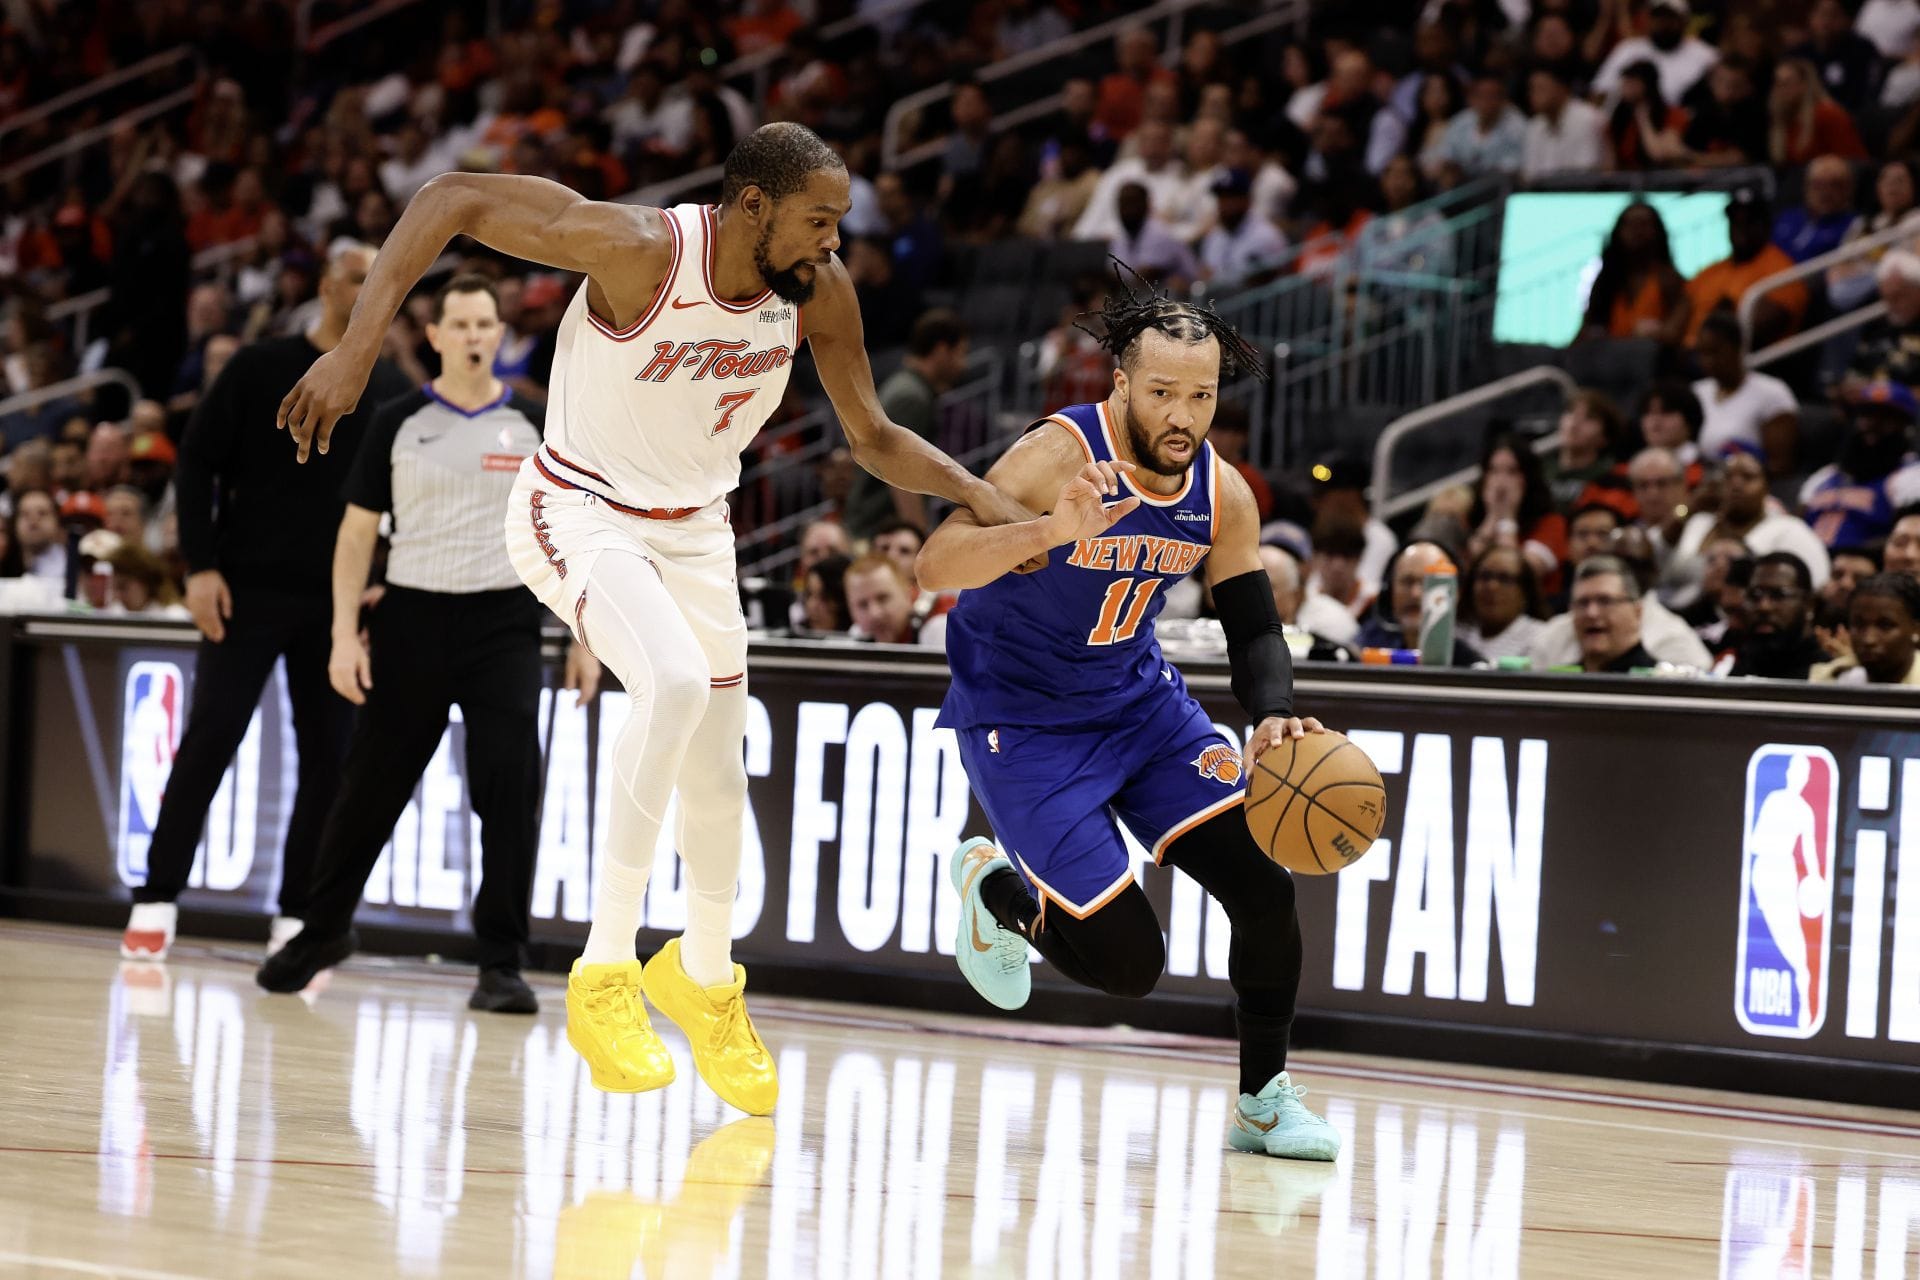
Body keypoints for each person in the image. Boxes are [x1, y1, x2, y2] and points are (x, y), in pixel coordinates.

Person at [276, 122, 1031, 1116]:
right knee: (671, 685)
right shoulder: (639, 250)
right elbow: (451, 195)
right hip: (575, 505)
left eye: (839, 222)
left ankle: (705, 975)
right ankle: (603, 970)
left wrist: (983, 498)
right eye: (817, 219)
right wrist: (354, 345)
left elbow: (873, 434)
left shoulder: (819, 293)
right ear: (751, 207)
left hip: (695, 530)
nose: (834, 241)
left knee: (718, 768)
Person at [915, 278, 1340, 1161]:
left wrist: (1274, 713)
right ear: (1119, 382)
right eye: (1162, 392)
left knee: (1265, 889)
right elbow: (935, 562)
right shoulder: (1056, 454)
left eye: (1202, 395)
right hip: (1024, 723)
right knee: (1129, 969)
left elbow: (1253, 619)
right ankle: (996, 890)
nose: (1183, 415)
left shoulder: (1224, 493)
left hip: (1140, 708)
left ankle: (1263, 1101)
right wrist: (1045, 535)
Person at [256, 275, 600, 1011]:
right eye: (461, 324)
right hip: (410, 617)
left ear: (500, 335)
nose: (475, 335)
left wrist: (585, 633)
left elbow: (570, 535)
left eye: (486, 322)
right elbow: (355, 534)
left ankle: (500, 962)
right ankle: (322, 931)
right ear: (435, 337)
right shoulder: (396, 419)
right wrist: (344, 634)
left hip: (505, 622)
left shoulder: (541, 424)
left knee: (510, 791)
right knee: (368, 788)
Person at [119, 241, 408, 963]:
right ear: (325, 286)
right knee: (211, 737)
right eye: (356, 277)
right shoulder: (259, 366)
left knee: (329, 759)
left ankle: (294, 915)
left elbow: (414, 496)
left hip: (336, 605)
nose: (370, 287)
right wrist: (199, 565)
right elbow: (195, 461)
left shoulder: (396, 388)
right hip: (245, 588)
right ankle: (156, 899)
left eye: (382, 277)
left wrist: (389, 574)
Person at [843, 309, 970, 541]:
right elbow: (901, 471)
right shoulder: (912, 397)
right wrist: (919, 537)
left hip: (876, 527)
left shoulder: (905, 386)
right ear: (942, 351)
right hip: (880, 530)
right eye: (961, 354)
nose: (963, 364)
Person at [1674, 448, 1832, 589]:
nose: (1736, 485)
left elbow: (1819, 582)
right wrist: (1687, 508)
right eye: (1728, 477)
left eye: (1748, 477)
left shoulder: (1789, 529)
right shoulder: (1699, 523)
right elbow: (1664, 566)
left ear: (1766, 486)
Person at [1801, 381, 1920, 550]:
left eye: (1886, 417)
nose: (1872, 425)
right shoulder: (1826, 475)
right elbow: (1796, 522)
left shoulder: (1912, 476)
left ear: (1906, 428)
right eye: (1866, 415)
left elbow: (1905, 539)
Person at [1686, 189, 1808, 349]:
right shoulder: (1711, 271)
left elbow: (1761, 330)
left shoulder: (1781, 269)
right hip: (1690, 355)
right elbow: (1679, 315)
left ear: (1765, 225)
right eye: (1735, 221)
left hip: (1739, 362)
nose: (1741, 227)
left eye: (1750, 221)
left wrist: (1722, 318)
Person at [1692, 312, 1799, 469]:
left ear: (1737, 348)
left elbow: (1780, 465)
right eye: (1702, 353)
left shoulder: (1772, 393)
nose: (1708, 362)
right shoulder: (1697, 391)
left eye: (1715, 352)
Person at [1464, 434, 1568, 592]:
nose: (1501, 481)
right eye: (1494, 470)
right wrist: (1492, 518)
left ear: (1527, 477)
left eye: (1512, 472)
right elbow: (1468, 569)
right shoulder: (1470, 519)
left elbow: (1515, 575)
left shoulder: (1552, 524)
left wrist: (1507, 518)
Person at [1357, 541, 1488, 665]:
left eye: (1429, 583)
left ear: (1455, 595)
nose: (1415, 594)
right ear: (1390, 591)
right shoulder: (1368, 650)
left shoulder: (1473, 667)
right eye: (1407, 581)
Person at [1578, 203, 1690, 346]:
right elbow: (1586, 330)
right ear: (1618, 232)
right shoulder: (1606, 283)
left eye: (1643, 224)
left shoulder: (1669, 280)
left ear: (1657, 232)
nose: (1637, 232)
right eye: (1630, 224)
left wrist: (1657, 333)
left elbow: (1675, 334)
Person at [1592, 0, 1717, 104]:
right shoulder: (1628, 49)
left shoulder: (1706, 55)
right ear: (1648, 19)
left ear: (1684, 21)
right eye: (1659, 18)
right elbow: (1600, 91)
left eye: (1670, 18)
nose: (1664, 24)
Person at [1730, 552, 1827, 679]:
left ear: (1809, 604)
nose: (1764, 607)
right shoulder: (1739, 668)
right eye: (1755, 595)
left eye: (1778, 595)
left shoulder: (1828, 675)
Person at [1812, 573, 1920, 684]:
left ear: (1916, 629)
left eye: (1885, 626)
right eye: (1859, 625)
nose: (1868, 639)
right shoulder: (1829, 679)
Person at [1767, 59, 1867, 168]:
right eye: (1777, 83)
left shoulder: (1829, 114)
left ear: (1805, 84)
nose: (1780, 89)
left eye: (1787, 83)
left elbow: (1852, 161)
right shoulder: (1782, 121)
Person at [1569, 555, 1659, 673]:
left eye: (1605, 601)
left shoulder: (1661, 685)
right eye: (1582, 603)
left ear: (1637, 612)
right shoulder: (1557, 684)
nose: (1591, 613)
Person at [1459, 543, 1548, 661]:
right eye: (1485, 576)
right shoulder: (1455, 633)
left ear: (1525, 592)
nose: (1492, 586)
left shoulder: (1542, 638)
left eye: (1504, 579)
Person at [1522, 65, 1604, 182]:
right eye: (1531, 89)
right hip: (1543, 195)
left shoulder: (1587, 118)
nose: (1533, 95)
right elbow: (1530, 176)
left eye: (1541, 88)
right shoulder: (1535, 125)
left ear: (1561, 88)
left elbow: (1587, 172)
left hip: (1582, 193)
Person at [1774, 155, 1860, 265]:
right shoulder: (1786, 217)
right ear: (1806, 187)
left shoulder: (1855, 226)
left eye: (1834, 185)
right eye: (1818, 184)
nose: (1825, 192)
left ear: (1848, 189)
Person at [1544, 390, 1623, 510]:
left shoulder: (1612, 480)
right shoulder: (1538, 471)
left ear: (1604, 437)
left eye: (1589, 418)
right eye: (1571, 412)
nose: (1574, 423)